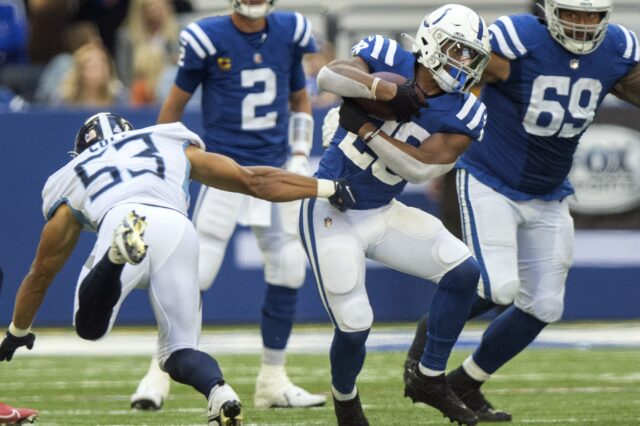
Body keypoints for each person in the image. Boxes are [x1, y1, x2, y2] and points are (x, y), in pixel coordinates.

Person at [0, 113, 354, 425]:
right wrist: (325, 187)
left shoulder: (72, 174)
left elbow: (41, 273)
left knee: (89, 327)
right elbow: (253, 181)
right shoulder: (165, 141)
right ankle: (220, 394)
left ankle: (115, 257)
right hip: (177, 229)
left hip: (122, 220)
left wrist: (18, 330)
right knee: (179, 352)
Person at [404, 0, 640, 422]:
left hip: (549, 192)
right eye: (573, 13)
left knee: (544, 305)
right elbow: (454, 73)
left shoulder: (618, 49)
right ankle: (427, 361)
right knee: (497, 288)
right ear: (550, 10)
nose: (583, 24)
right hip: (491, 177)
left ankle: (467, 380)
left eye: (592, 15)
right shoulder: (520, 39)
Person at [130, 0, 327, 411]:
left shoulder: (289, 30)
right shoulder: (208, 37)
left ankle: (273, 379)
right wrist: (162, 164)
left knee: (289, 264)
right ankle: (157, 373)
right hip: (223, 170)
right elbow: (173, 111)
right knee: (195, 272)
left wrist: (299, 153)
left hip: (273, 172)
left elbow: (300, 100)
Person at [307, 4, 491, 425]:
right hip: (331, 207)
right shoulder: (386, 56)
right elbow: (328, 75)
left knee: (463, 272)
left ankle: (428, 376)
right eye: (455, 50)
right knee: (355, 325)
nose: (462, 63)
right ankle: (346, 399)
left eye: (470, 56)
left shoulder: (466, 110)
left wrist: (367, 128)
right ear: (429, 42)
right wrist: (383, 91)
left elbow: (422, 168)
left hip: (383, 210)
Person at [53, 42, 128, 107]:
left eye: (102, 63)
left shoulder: (118, 96)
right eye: (91, 64)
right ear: (79, 70)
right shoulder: (64, 98)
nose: (97, 69)